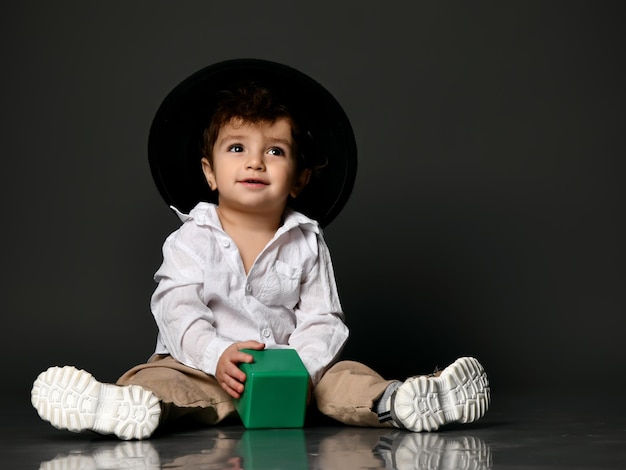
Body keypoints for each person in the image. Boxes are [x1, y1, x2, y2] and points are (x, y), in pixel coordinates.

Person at [31, 59, 490, 440]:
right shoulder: (191, 238)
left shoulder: (307, 240)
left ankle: (399, 401)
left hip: (290, 377)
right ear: (209, 172)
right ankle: (122, 405)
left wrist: (301, 372)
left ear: (299, 179)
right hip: (208, 369)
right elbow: (177, 309)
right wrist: (216, 355)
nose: (254, 161)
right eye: (237, 148)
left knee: (343, 377)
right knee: (165, 380)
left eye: (275, 151)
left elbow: (322, 318)